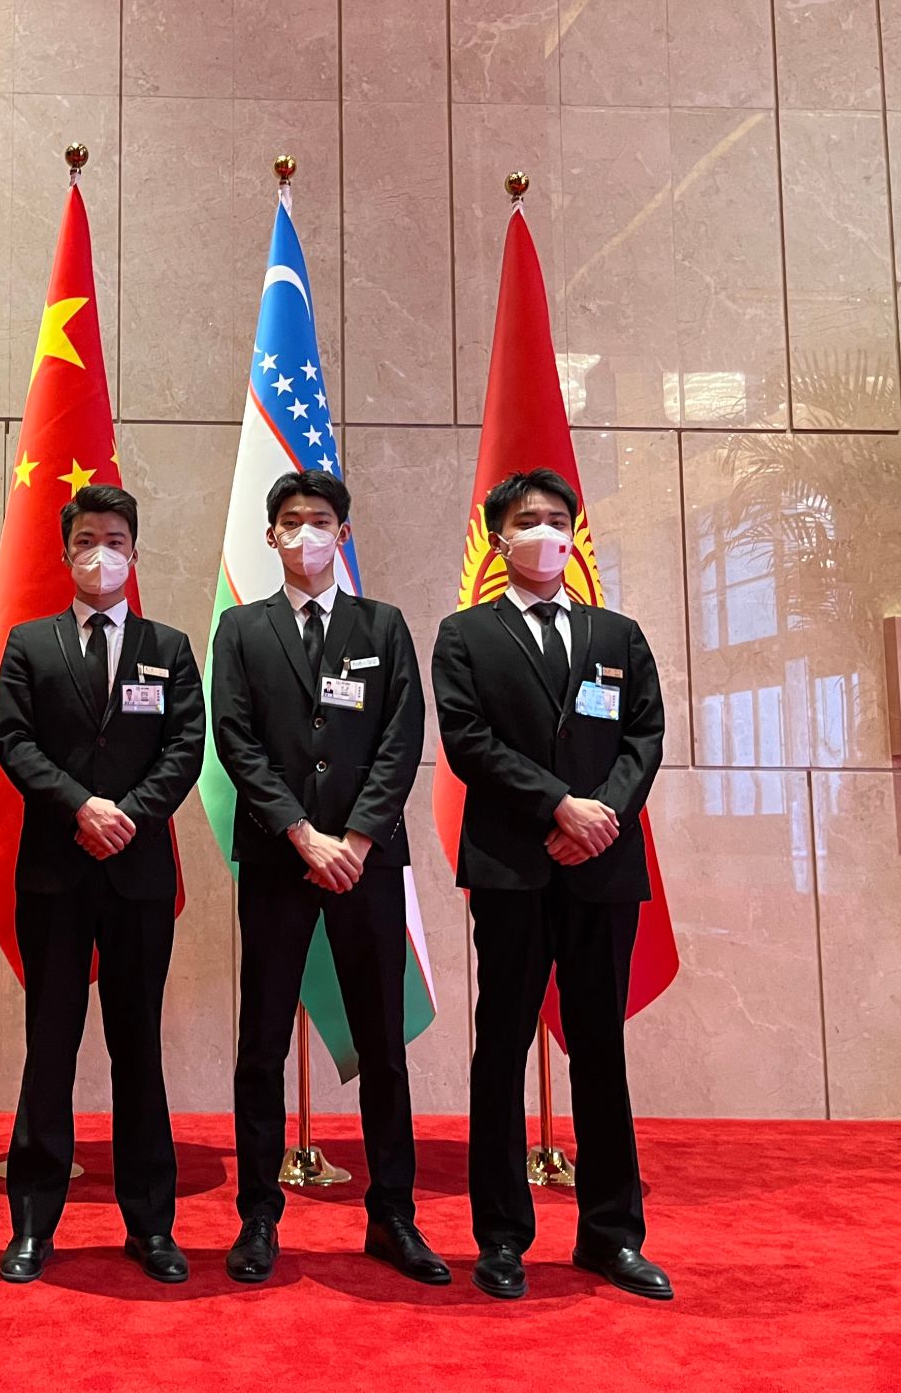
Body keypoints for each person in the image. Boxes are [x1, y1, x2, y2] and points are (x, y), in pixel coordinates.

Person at [431, 468, 670, 1302]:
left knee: (600, 1047)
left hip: (603, 866)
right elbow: (468, 741)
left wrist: (601, 815)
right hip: (513, 865)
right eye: (528, 520)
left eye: (558, 519)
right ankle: (501, 1237)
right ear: (499, 539)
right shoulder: (466, 635)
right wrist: (558, 807)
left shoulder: (618, 634)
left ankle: (611, 1234)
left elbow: (644, 735)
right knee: (501, 1047)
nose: (546, 533)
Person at [210, 470, 445, 1288]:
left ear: (343, 535)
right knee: (262, 1044)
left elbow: (401, 738)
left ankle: (394, 1216)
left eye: (320, 520)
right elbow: (235, 740)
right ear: (270, 536)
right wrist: (302, 833)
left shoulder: (383, 624)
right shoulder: (242, 628)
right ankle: (258, 1216)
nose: (305, 533)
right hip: (279, 858)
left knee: (383, 1044)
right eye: (291, 521)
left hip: (367, 863)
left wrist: (356, 837)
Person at [0, 484, 205, 1286]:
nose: (101, 554)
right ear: (65, 551)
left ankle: (151, 1224)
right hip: (54, 869)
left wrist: (129, 816)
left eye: (115, 540)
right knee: (49, 1045)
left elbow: (185, 746)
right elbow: (13, 740)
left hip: (139, 873)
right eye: (87, 540)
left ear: (134, 552)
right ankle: (32, 1223)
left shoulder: (168, 647)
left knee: (137, 1048)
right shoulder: (29, 643)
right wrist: (81, 807)